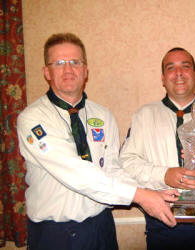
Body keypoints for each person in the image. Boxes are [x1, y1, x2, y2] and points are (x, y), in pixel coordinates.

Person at [17, 33, 179, 250]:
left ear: (85, 70)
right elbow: (74, 171)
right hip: (55, 233)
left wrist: (148, 191)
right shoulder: (33, 118)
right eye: (59, 63)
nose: (68, 70)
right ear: (47, 72)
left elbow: (112, 168)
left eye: (75, 62)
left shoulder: (102, 115)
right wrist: (140, 196)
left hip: (101, 227)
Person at [119, 47, 195, 250]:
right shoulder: (144, 117)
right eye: (171, 68)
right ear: (163, 78)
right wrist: (164, 175)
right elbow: (126, 164)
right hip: (163, 228)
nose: (178, 73)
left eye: (185, 66)